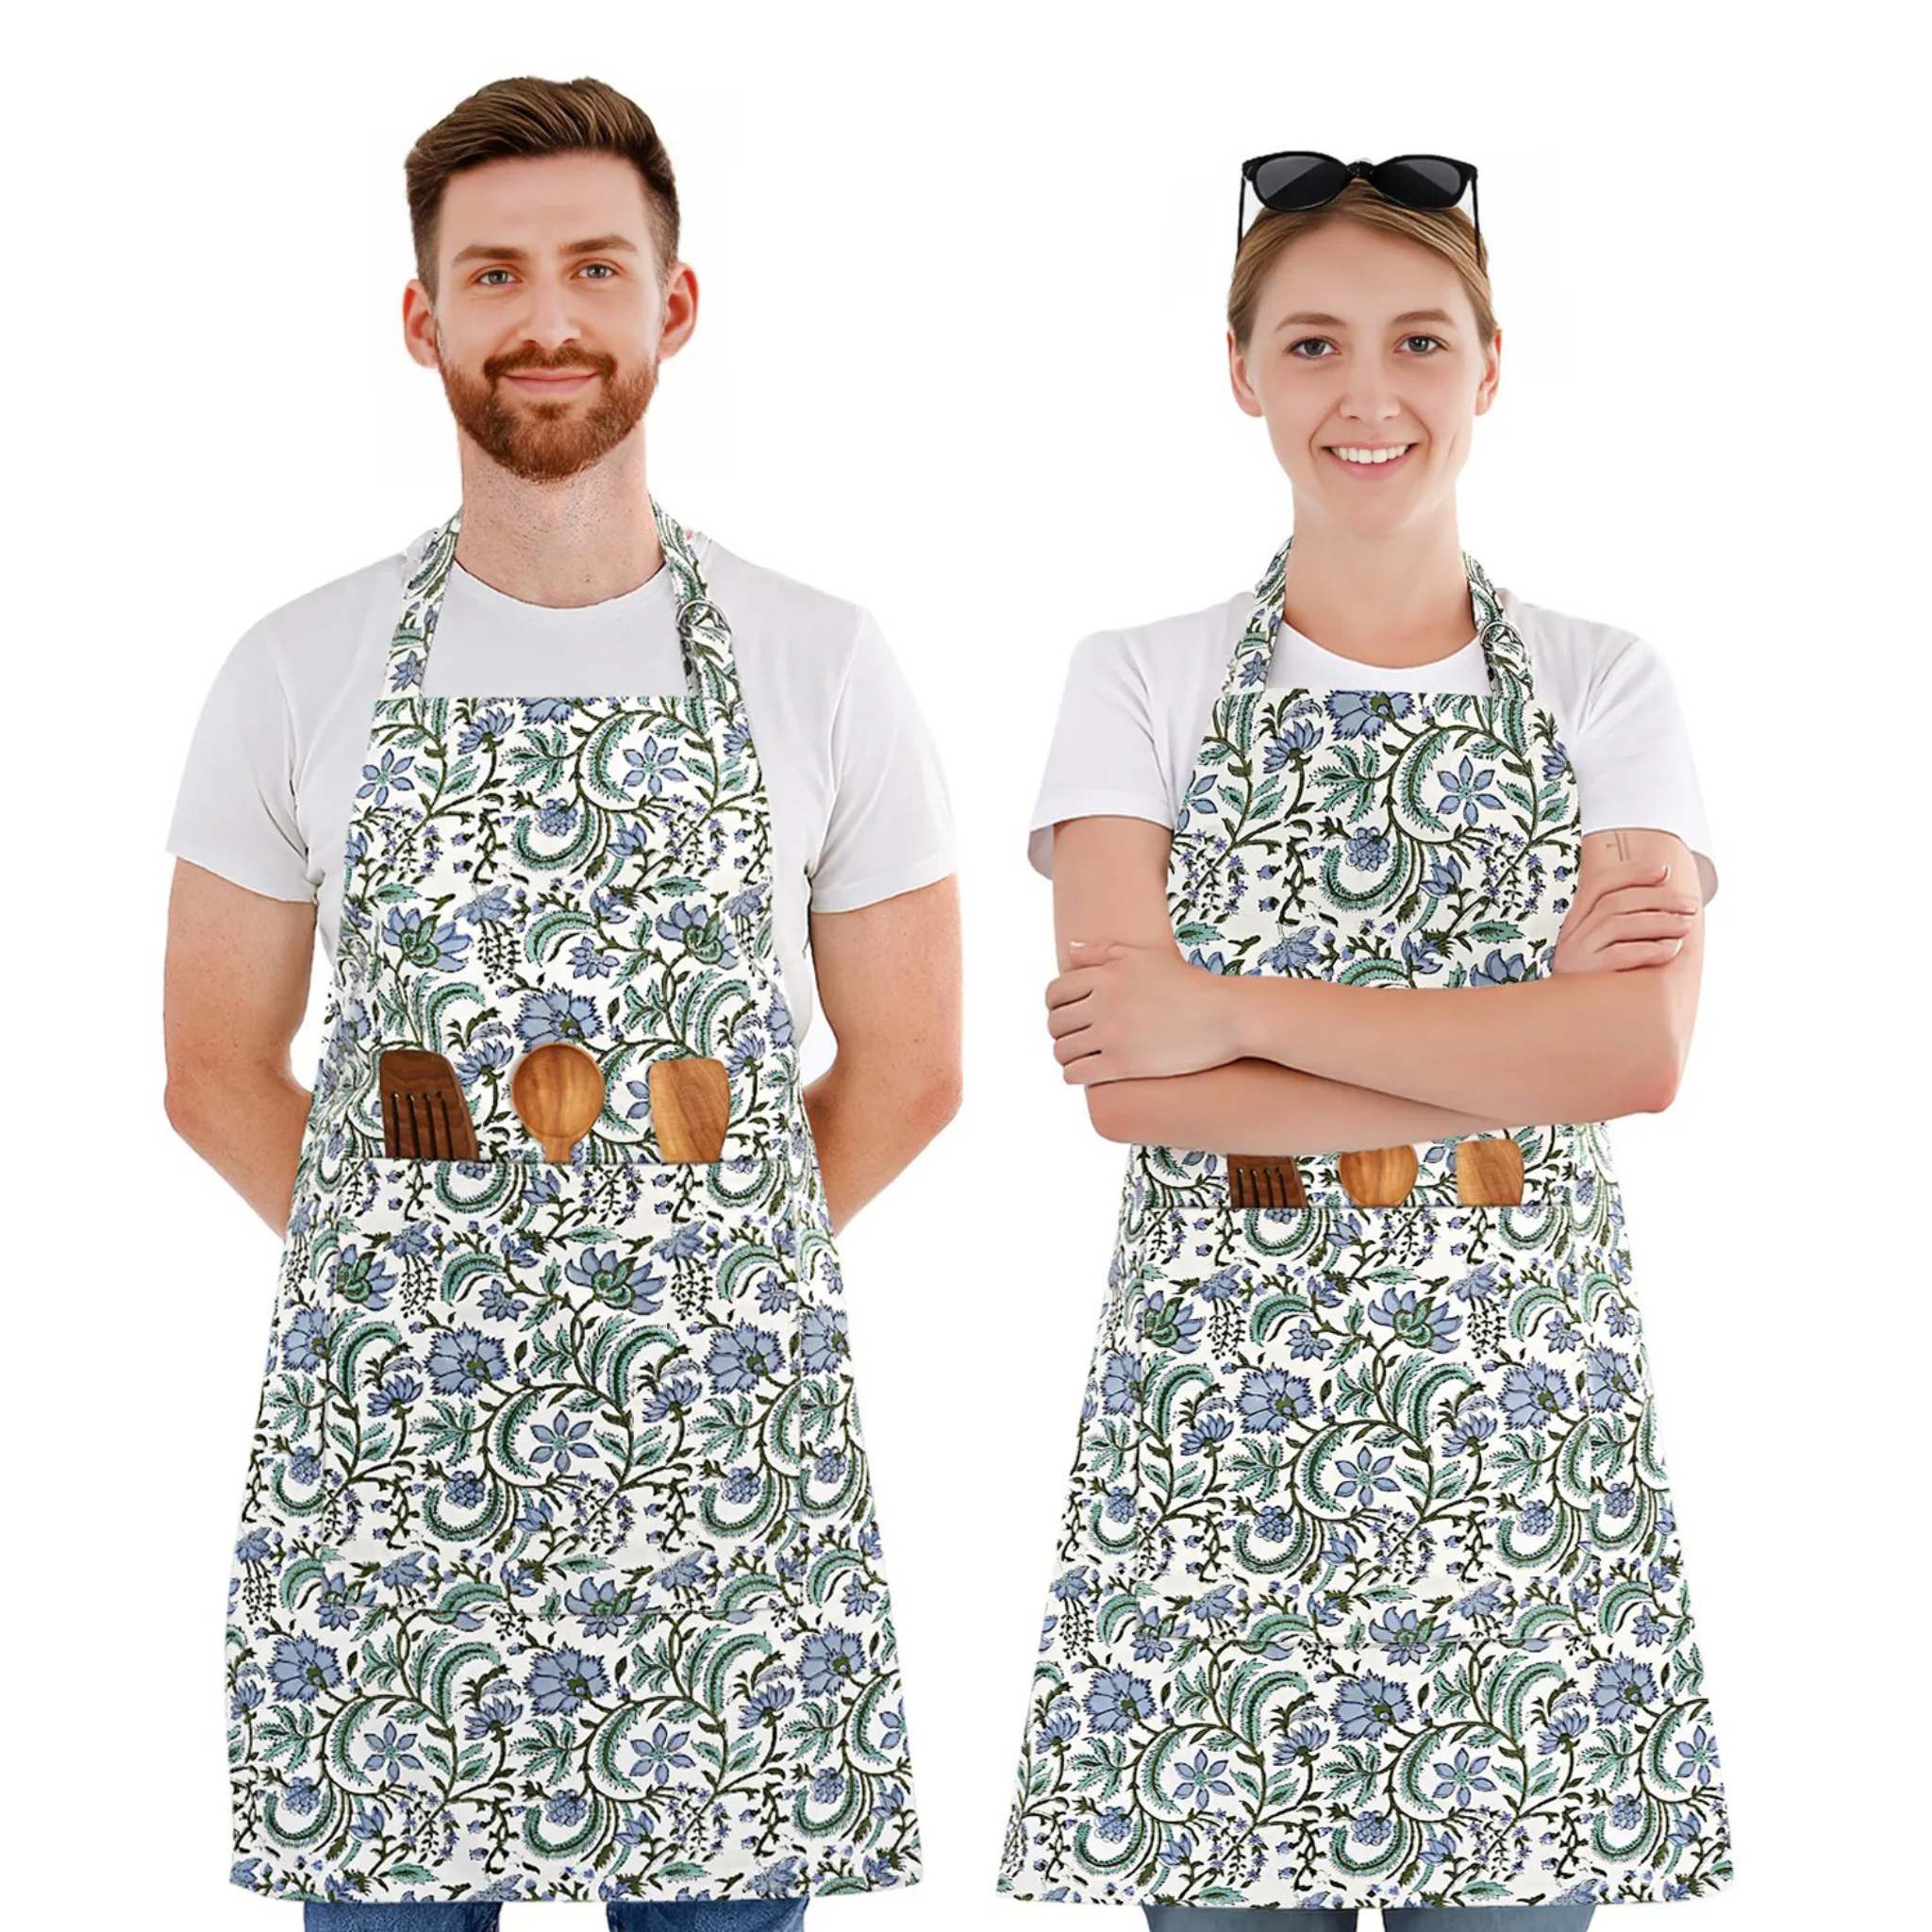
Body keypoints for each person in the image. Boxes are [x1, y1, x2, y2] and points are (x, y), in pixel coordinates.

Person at [161, 75, 959, 1928]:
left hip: (714, 1484)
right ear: (423, 317)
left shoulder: (821, 660)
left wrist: (680, 1294)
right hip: (392, 1493)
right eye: (495, 273)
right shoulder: (295, 667)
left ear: (671, 306)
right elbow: (210, 1068)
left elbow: (912, 1068)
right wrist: (437, 1298)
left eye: (594, 267)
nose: (546, 317)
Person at [993, 155, 1736, 1924]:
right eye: (1313, 344)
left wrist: (1231, 1010)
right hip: (1214, 1461)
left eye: (1418, 340)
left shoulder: (1603, 679)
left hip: (1516, 1454)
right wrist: (1504, 1031)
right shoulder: (1140, 676)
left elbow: (1634, 1059)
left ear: (1493, 365)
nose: (1368, 394)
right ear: (1241, 371)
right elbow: (1130, 1093)